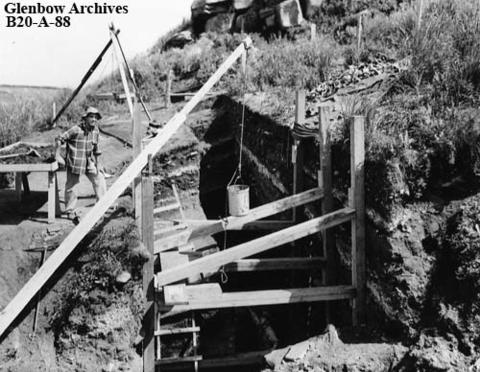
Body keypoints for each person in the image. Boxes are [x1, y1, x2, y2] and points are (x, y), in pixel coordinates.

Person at [55, 106, 107, 223]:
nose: (94, 119)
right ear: (85, 118)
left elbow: (96, 149)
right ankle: (69, 211)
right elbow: (59, 139)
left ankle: (102, 205)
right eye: (91, 117)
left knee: (99, 178)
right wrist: (57, 155)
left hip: (88, 161)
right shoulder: (75, 130)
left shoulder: (96, 131)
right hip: (75, 162)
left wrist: (98, 164)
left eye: (95, 117)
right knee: (72, 186)